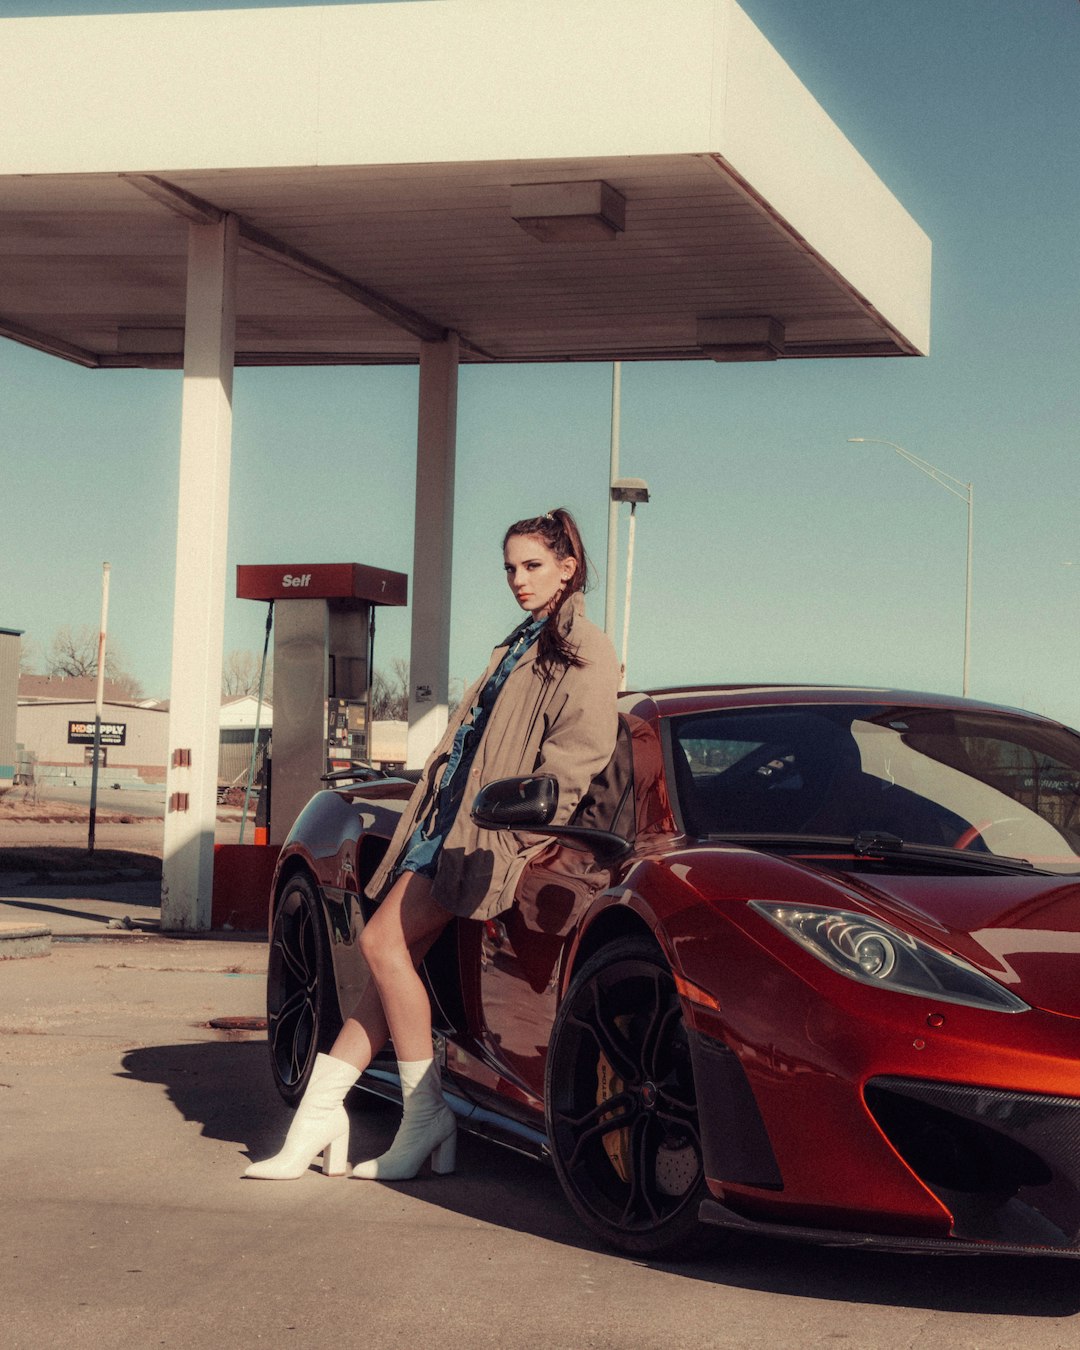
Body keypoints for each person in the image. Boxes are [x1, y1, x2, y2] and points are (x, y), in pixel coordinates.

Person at [245, 508, 620, 1182]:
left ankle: (425, 1115)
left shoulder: (586, 652)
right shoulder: (518, 645)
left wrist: (520, 836)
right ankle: (321, 1120)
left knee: (381, 948)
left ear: (568, 566)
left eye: (532, 565)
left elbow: (575, 764)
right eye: (510, 567)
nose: (517, 579)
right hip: (442, 828)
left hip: (486, 837)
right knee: (387, 974)